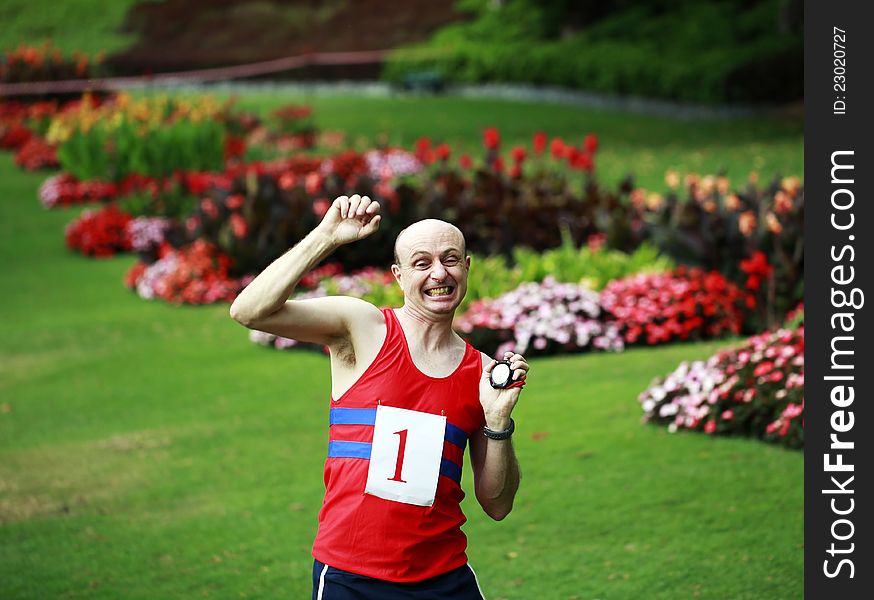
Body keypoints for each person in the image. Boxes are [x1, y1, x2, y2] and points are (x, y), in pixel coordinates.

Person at [230, 194, 528, 599]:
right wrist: (326, 237)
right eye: (421, 263)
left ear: (467, 267)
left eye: (451, 259)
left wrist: (498, 424)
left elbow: (497, 504)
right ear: (398, 275)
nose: (439, 273)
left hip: (444, 578)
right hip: (351, 577)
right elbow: (249, 311)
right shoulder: (361, 327)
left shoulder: (483, 374)